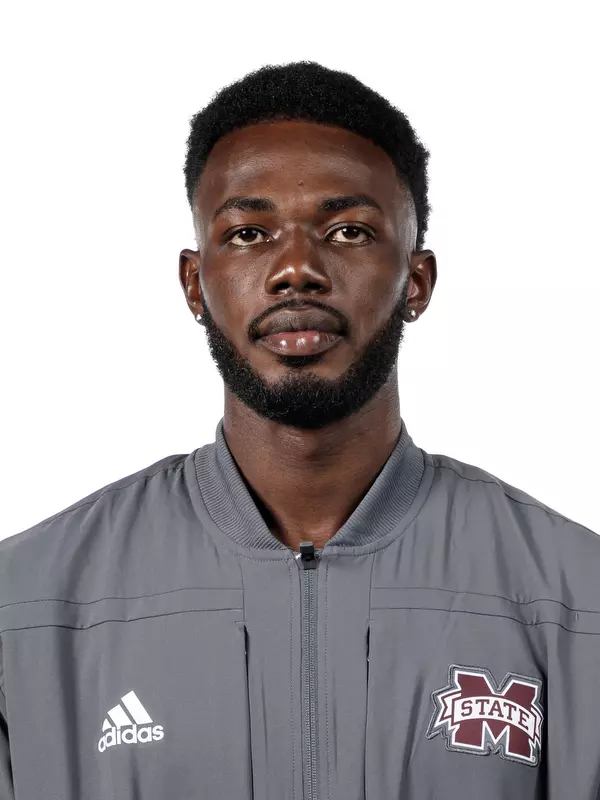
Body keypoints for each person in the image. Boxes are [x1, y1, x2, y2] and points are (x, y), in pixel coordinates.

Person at [0, 60, 598, 800]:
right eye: (249, 233)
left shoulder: (575, 599)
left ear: (416, 282)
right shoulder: (28, 606)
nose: (296, 270)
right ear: (195, 283)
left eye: (348, 230)